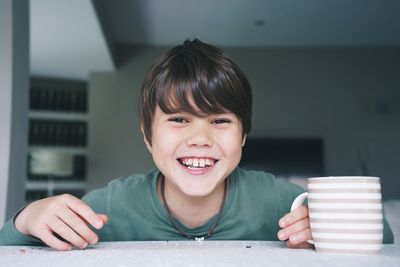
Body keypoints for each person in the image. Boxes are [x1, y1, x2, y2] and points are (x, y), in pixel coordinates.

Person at [0, 39, 394, 250]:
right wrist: (28, 218)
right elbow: (7, 245)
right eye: (178, 120)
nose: (200, 139)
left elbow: (386, 241)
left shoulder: (280, 204)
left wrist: (327, 228)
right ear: (147, 135)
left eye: (220, 120)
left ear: (242, 135)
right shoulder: (110, 207)